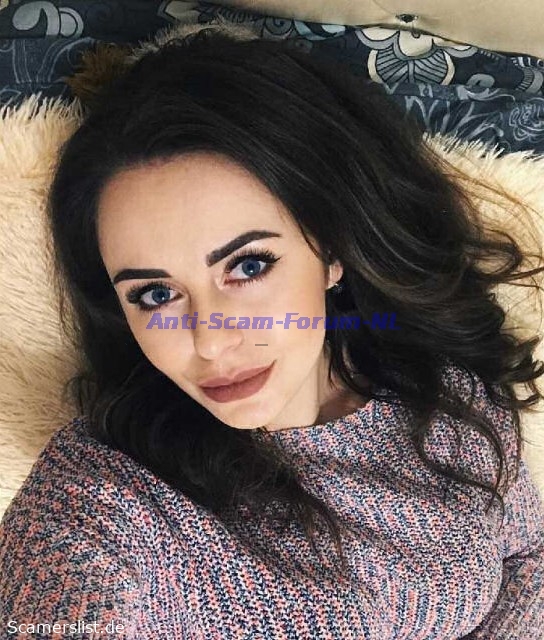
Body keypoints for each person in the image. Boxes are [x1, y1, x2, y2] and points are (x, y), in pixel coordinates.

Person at [1, 17, 543, 639]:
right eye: (155, 294)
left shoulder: (450, 396)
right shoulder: (96, 499)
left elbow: (526, 555)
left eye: (248, 266)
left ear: (332, 249)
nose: (210, 341)